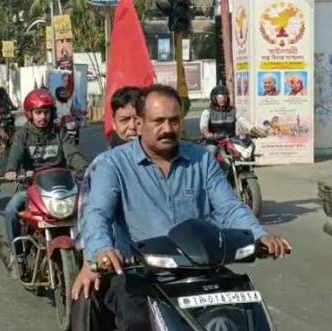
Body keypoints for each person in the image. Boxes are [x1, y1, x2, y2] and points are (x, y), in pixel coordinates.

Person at [80, 84, 291, 330]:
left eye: (173, 121)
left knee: (247, 315)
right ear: (139, 123)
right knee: (137, 321)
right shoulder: (112, 164)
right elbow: (97, 214)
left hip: (203, 270)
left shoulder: (201, 158)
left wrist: (260, 236)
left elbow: (230, 207)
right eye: (158, 121)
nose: (167, 129)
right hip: (141, 274)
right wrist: (102, 249)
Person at [70, 86, 140, 331]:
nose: (132, 126)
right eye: (125, 120)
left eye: (138, 119)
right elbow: (91, 216)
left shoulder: (171, 159)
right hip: (122, 264)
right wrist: (93, 259)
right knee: (85, 296)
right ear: (114, 122)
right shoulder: (103, 165)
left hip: (174, 262)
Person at [2, 88, 88, 278]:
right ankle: (17, 256)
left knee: (88, 207)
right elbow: (16, 152)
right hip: (31, 188)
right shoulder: (22, 135)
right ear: (30, 114)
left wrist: (85, 168)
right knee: (10, 211)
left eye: (46, 112)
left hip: (61, 188)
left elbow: (71, 153)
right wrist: (11, 170)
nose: (43, 117)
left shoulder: (59, 133)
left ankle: (89, 252)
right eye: (38, 112)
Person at [199, 85, 262, 154]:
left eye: (225, 97)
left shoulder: (232, 111)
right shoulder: (207, 112)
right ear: (214, 98)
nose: (223, 99)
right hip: (213, 141)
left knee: (245, 149)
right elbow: (203, 125)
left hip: (230, 140)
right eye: (220, 97)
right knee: (211, 151)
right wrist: (207, 133)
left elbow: (242, 120)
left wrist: (253, 129)